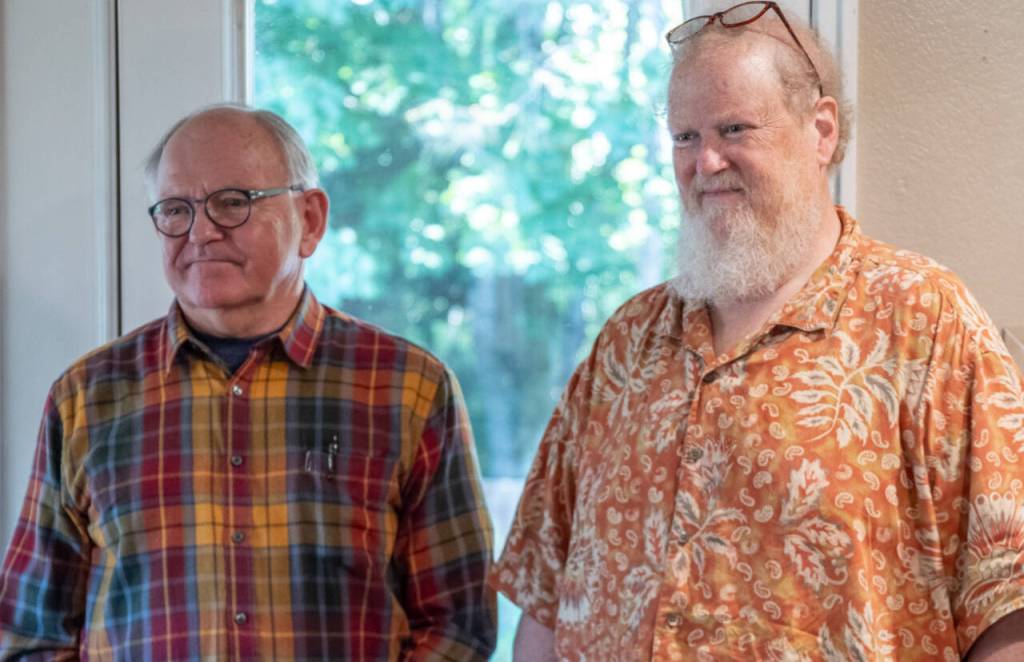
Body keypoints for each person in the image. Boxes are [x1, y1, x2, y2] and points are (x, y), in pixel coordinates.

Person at [491, 2, 1024, 660]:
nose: (706, 161)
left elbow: (1007, 599)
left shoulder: (924, 320)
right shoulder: (625, 342)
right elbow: (545, 596)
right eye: (685, 137)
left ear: (821, 130)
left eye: (734, 129)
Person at [0, 104, 497, 659]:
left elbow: (458, 626)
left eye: (233, 202)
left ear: (310, 219)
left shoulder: (408, 388)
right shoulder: (87, 398)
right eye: (176, 209)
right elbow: (32, 632)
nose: (201, 232)